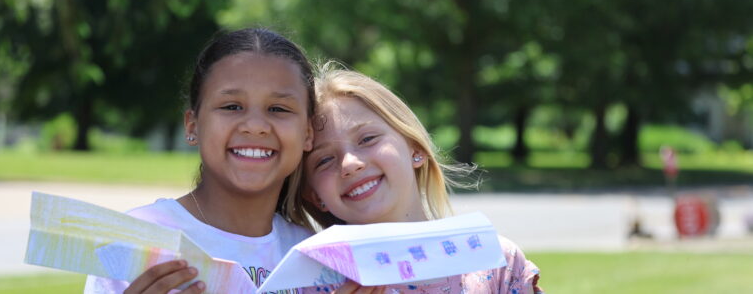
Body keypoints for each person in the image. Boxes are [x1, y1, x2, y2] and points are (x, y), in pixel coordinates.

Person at [85, 28, 318, 294]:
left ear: (308, 133)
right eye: (232, 106)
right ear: (192, 125)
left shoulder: (315, 256)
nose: (255, 126)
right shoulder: (138, 240)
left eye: (278, 109)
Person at [295, 66, 544, 294]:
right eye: (324, 160)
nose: (350, 163)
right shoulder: (306, 281)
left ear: (415, 148)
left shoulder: (498, 262)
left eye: (367, 139)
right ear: (315, 195)